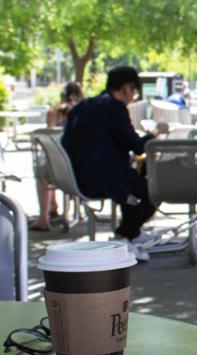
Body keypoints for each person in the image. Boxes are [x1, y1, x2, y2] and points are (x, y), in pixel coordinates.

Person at [61, 67, 167, 259]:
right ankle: (123, 236)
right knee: (157, 187)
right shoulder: (114, 107)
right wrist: (156, 132)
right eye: (134, 91)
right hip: (102, 181)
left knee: (137, 180)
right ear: (127, 88)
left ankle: (132, 233)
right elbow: (137, 146)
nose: (133, 97)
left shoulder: (83, 106)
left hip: (77, 176)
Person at [31, 82, 84, 232]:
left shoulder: (54, 112)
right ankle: (55, 207)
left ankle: (44, 217)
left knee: (43, 173)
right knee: (49, 169)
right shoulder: (84, 112)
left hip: (59, 166)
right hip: (80, 167)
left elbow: (49, 139)